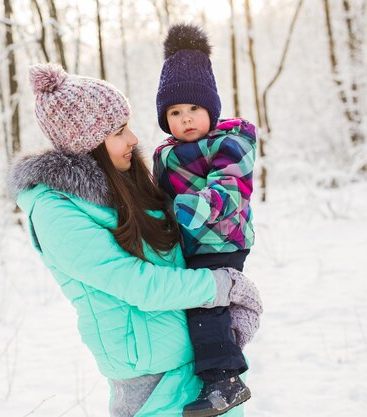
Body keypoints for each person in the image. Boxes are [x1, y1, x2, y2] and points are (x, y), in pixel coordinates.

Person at [8, 63, 262, 417]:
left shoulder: (129, 180)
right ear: (90, 144)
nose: (134, 139)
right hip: (153, 383)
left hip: (201, 364)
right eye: (119, 132)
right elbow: (135, 283)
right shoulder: (55, 211)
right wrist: (221, 286)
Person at [152, 24, 260, 417]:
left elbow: (229, 193)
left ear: (211, 108)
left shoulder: (232, 140)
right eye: (175, 112)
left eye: (194, 109)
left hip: (223, 239)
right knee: (189, 304)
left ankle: (225, 381)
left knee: (204, 302)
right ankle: (211, 367)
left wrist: (174, 211)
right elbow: (155, 196)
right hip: (188, 242)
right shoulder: (164, 155)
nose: (186, 119)